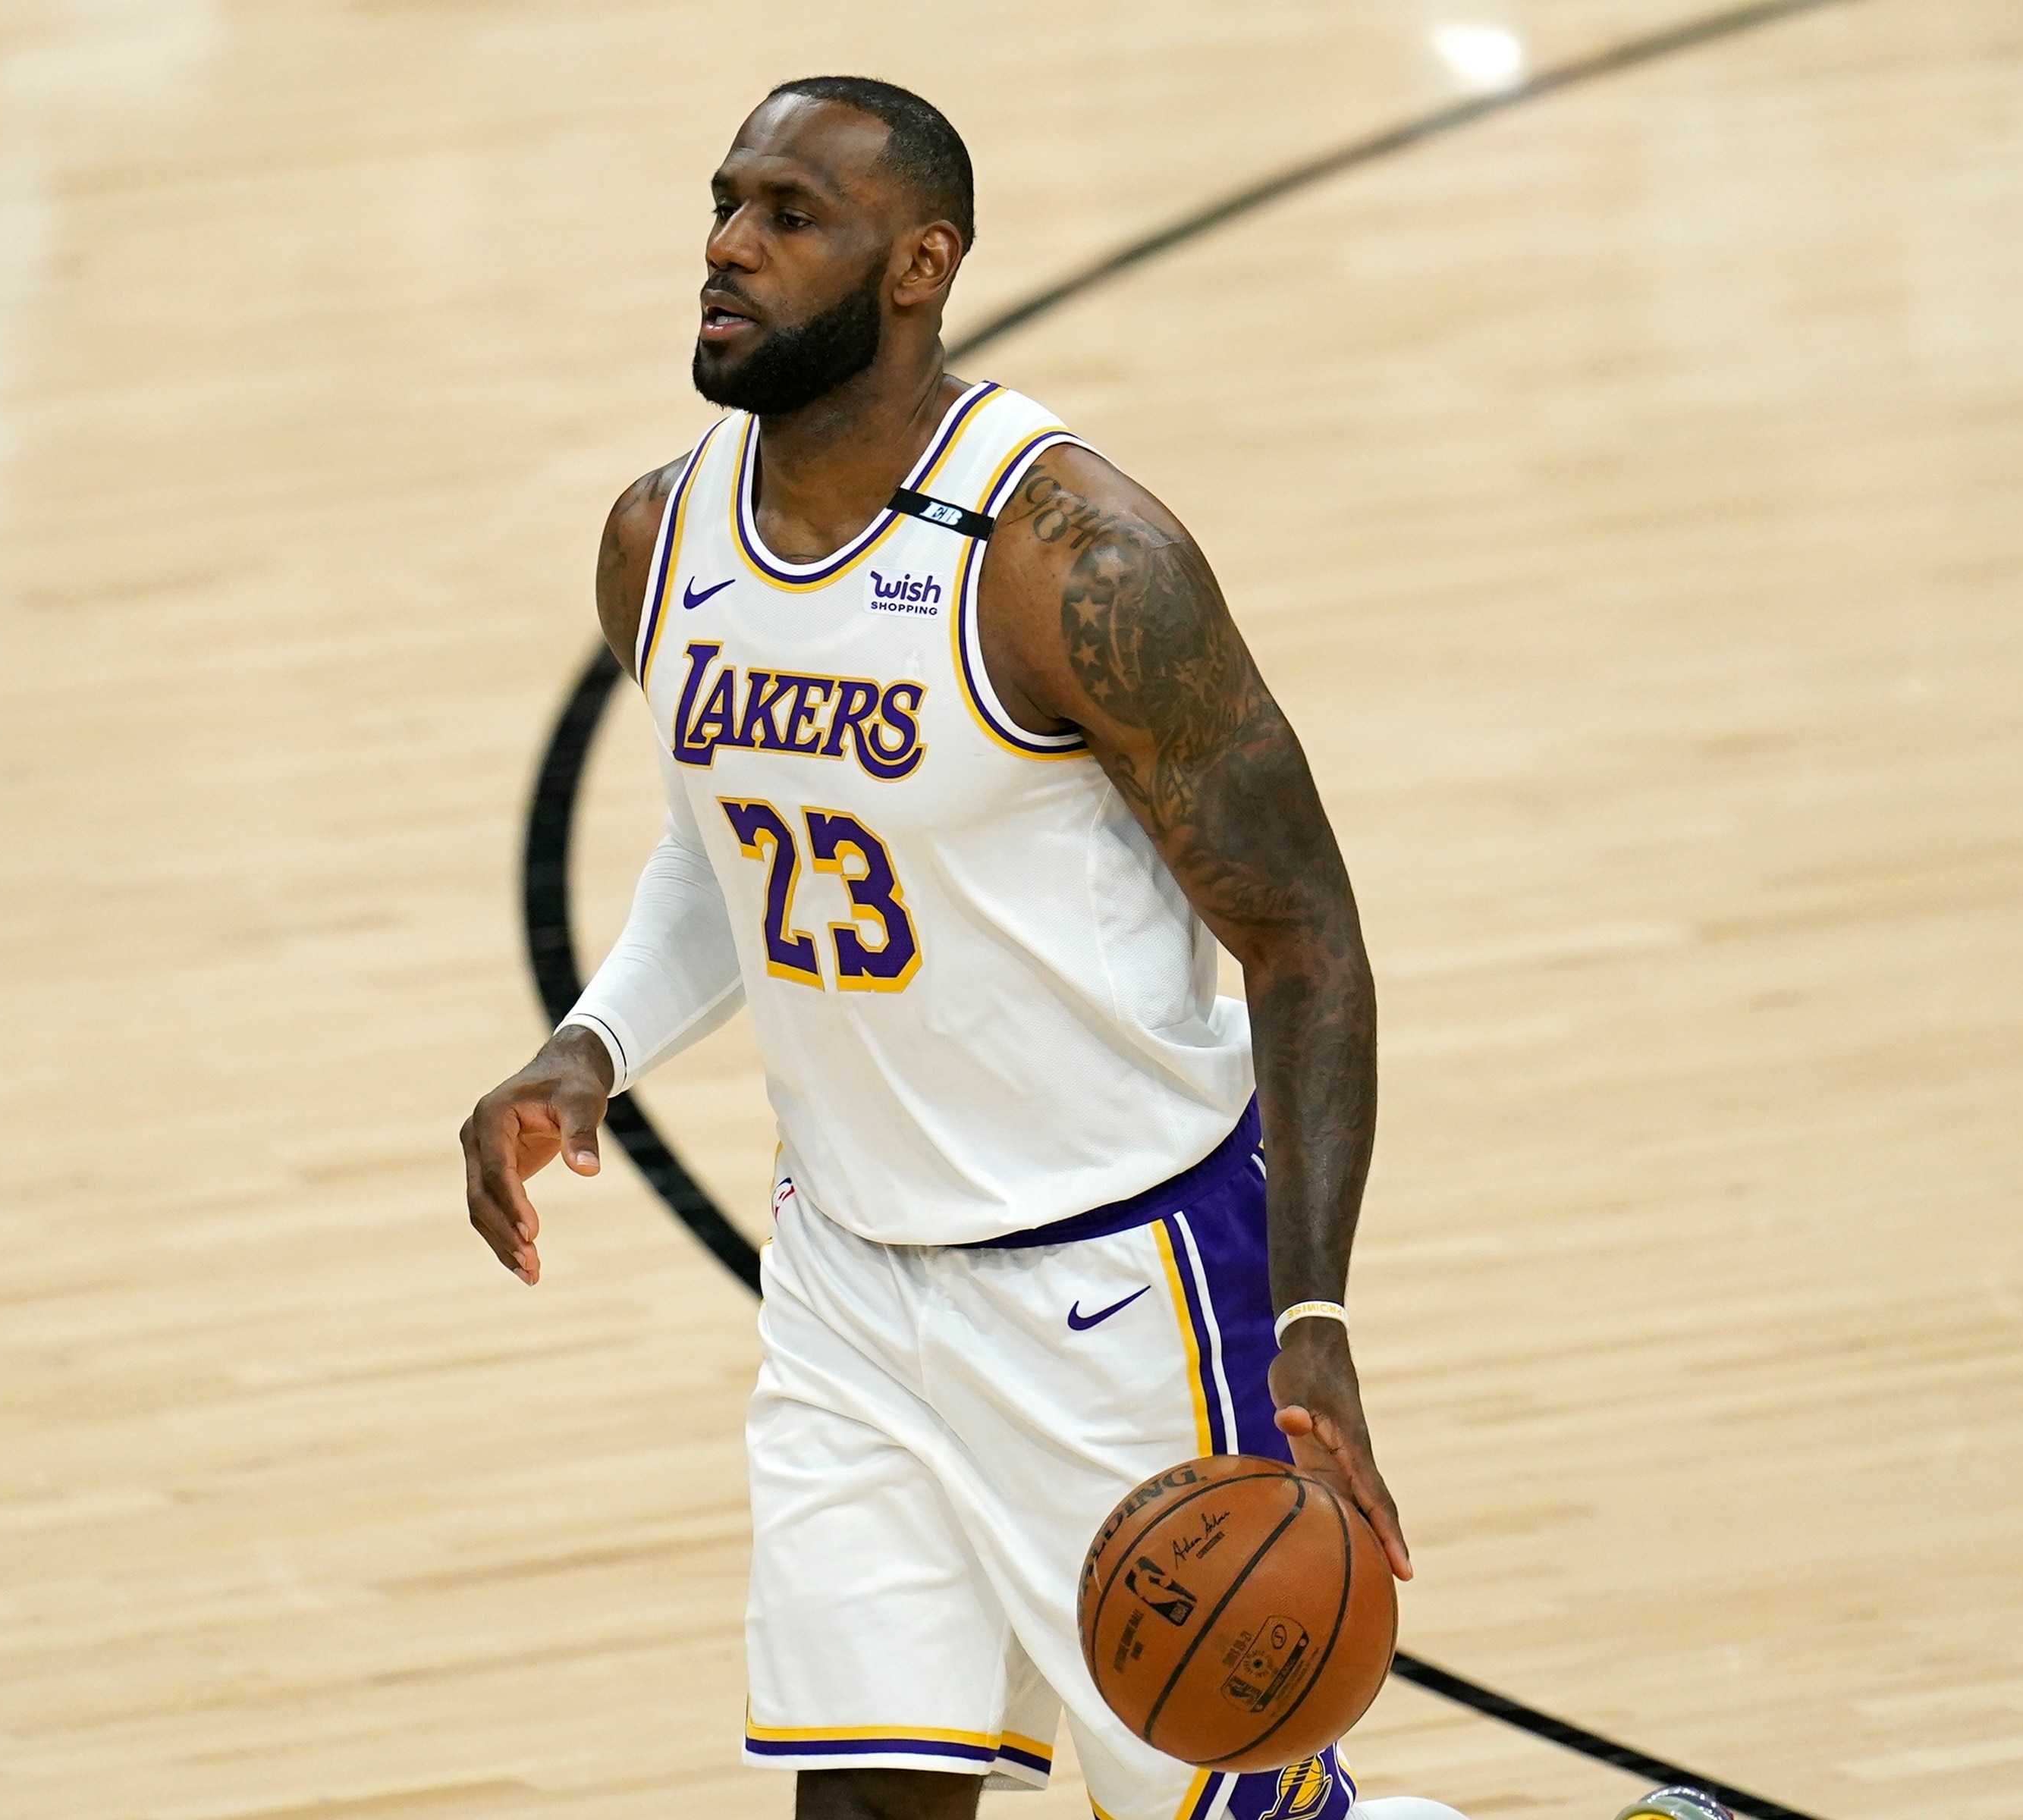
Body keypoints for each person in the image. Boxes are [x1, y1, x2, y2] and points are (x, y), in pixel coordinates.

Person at [462, 75, 1461, 1820]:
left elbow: (1304, 941)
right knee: (861, 1803)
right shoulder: (660, 540)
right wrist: (591, 1046)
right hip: (847, 1286)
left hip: (1120, 1291)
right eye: (725, 203)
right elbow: (728, 848)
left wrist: (1311, 1317)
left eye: (791, 216)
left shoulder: (1073, 562)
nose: (729, 246)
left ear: (920, 265)